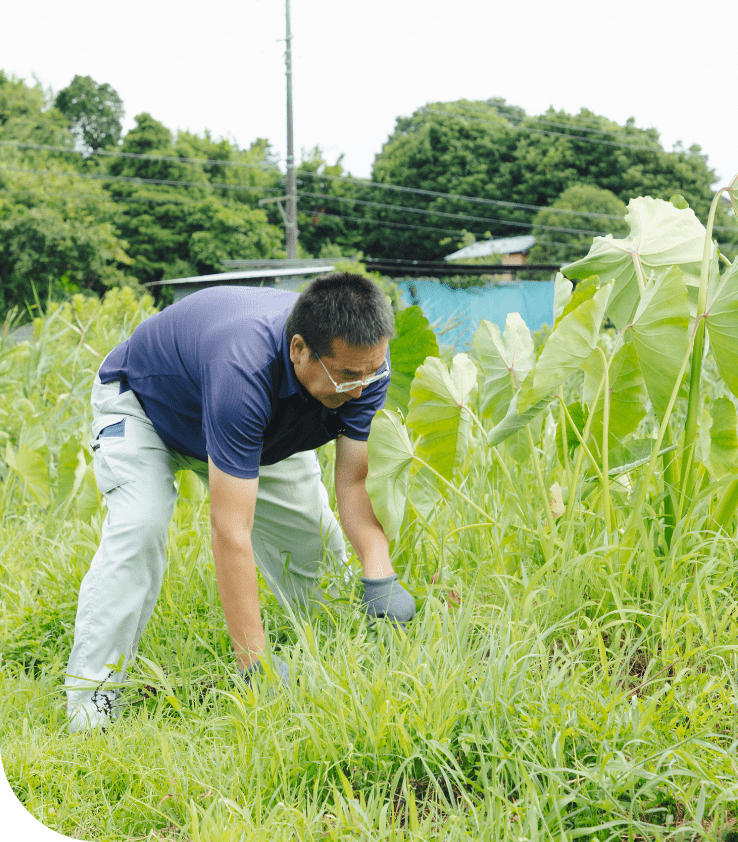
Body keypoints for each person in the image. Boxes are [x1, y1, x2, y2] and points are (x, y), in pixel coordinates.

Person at [65, 273, 415, 733]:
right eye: (348, 375)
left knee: (313, 544)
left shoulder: (364, 369)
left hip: (262, 431)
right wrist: (254, 666)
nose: (360, 388)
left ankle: (345, 667)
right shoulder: (243, 368)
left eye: (372, 371)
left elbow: (353, 485)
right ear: (298, 350)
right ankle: (91, 710)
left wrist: (379, 568)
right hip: (147, 407)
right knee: (139, 528)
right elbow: (231, 531)